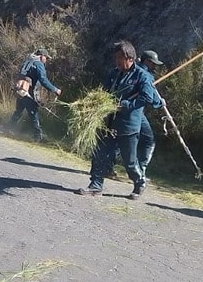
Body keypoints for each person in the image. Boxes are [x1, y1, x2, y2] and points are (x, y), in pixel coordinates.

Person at [77, 40, 157, 199]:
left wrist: (127, 104)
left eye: (120, 59)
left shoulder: (142, 76)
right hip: (109, 122)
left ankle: (139, 182)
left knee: (130, 162)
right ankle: (96, 185)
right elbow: (106, 91)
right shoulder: (114, 73)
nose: (117, 62)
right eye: (116, 59)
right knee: (99, 153)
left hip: (128, 125)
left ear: (130, 58)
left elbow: (147, 98)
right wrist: (97, 103)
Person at [8, 48, 61, 142]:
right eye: (46, 58)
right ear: (42, 56)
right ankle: (37, 137)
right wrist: (55, 89)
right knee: (33, 113)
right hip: (27, 90)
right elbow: (43, 79)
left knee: (19, 110)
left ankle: (8, 128)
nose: (46, 60)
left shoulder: (28, 61)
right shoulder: (38, 64)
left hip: (20, 88)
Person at [136, 49, 166, 182]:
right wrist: (160, 103)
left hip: (121, 109)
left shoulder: (132, 69)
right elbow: (151, 98)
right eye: (153, 63)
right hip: (136, 112)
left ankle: (108, 167)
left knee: (121, 139)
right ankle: (140, 171)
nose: (155, 66)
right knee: (148, 140)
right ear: (147, 61)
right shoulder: (146, 75)